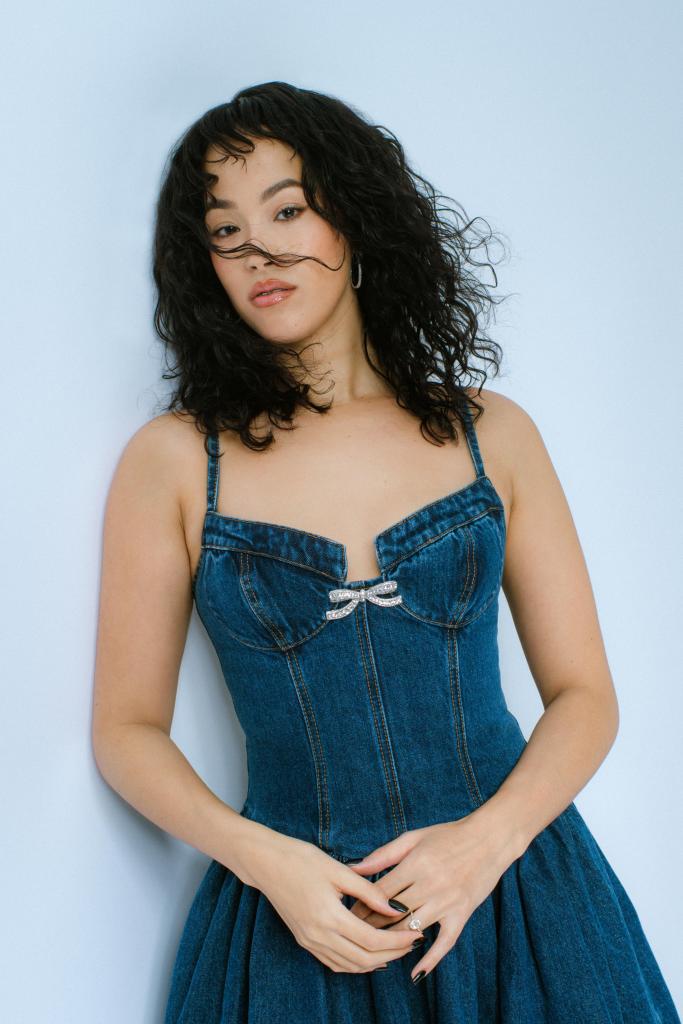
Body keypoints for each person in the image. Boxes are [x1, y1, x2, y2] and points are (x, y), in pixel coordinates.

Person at [91, 81, 680, 1023]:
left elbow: (585, 696)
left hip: (521, 898)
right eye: (226, 231)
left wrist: (483, 845)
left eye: (288, 211)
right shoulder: (173, 460)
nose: (259, 252)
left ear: (356, 219)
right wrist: (264, 860)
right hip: (297, 924)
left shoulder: (491, 434)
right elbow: (125, 731)